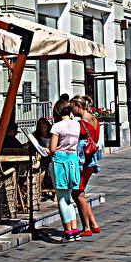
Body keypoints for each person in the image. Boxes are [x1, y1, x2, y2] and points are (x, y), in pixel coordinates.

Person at [48, 101, 82, 241]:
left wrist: (45, 149)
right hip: (73, 161)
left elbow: (52, 149)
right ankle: (75, 230)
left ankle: (67, 231)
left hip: (60, 162)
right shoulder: (77, 125)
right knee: (69, 198)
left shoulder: (57, 126)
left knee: (62, 199)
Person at [72, 96, 102, 236]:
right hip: (91, 160)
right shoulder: (95, 120)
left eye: (73, 107)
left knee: (78, 194)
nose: (72, 111)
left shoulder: (81, 123)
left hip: (83, 161)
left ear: (79, 105)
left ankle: (86, 228)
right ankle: (94, 224)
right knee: (80, 193)